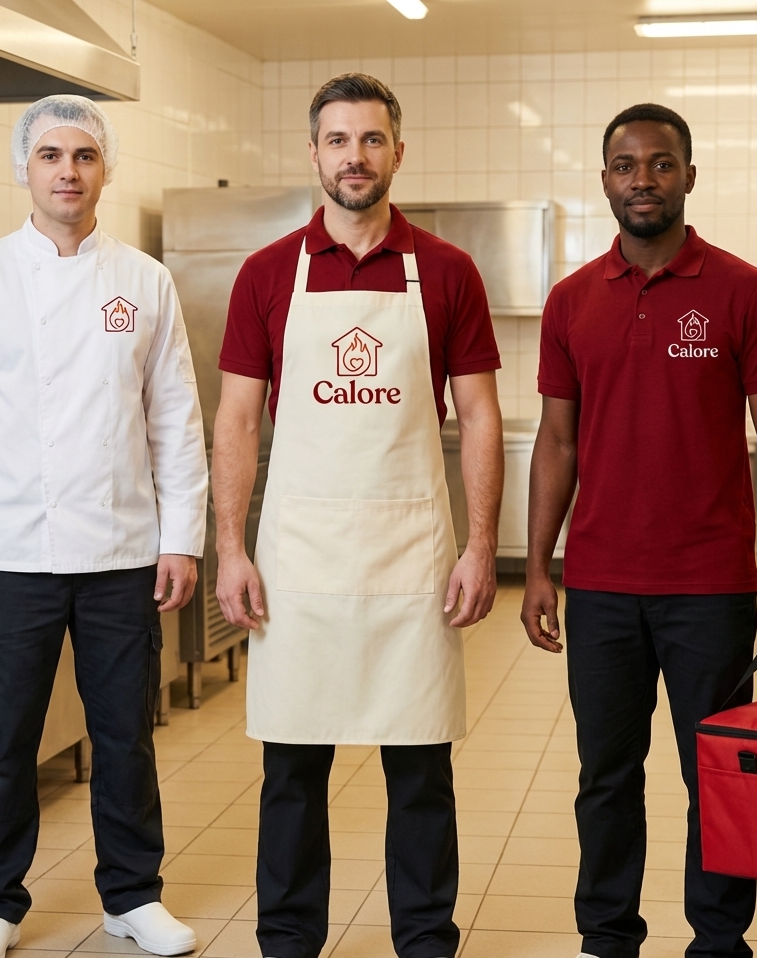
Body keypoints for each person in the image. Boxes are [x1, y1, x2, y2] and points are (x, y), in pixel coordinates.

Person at [212, 74, 504, 958]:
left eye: (371, 140)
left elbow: (481, 414)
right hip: (299, 557)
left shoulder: (448, 271)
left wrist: (482, 545)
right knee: (292, 770)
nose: (354, 156)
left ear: (398, 153)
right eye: (337, 141)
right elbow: (234, 418)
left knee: (420, 768)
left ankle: (425, 941)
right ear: (314, 154)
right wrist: (231, 546)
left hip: (410, 554)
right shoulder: (266, 273)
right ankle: (288, 942)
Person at [520, 103, 757, 958]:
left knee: (716, 776)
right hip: (604, 584)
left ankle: (718, 941)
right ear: (604, 178)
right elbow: (557, 442)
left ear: (689, 175)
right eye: (624, 164)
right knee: (604, 779)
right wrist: (539, 566)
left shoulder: (742, 290)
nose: (641, 178)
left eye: (659, 163)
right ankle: (608, 937)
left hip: (711, 585)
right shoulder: (572, 300)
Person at [0, 95, 209, 958]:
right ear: (25, 169)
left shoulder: (145, 280)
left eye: (84, 155)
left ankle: (132, 896)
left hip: (121, 550)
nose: (68, 172)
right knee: (3, 739)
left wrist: (181, 536)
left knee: (125, 735)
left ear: (105, 170)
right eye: (51, 155)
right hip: (9, 553)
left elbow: (175, 420)